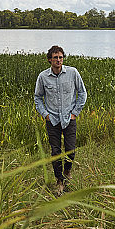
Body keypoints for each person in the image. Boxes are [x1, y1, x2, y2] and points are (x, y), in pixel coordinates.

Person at [34, 45, 88, 194]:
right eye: (55, 58)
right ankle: (59, 180)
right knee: (56, 152)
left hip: (69, 118)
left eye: (60, 57)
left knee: (70, 150)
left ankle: (67, 171)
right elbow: (38, 97)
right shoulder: (43, 77)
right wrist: (45, 114)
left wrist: (75, 113)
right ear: (49, 60)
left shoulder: (73, 73)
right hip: (52, 120)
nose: (58, 60)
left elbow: (82, 93)